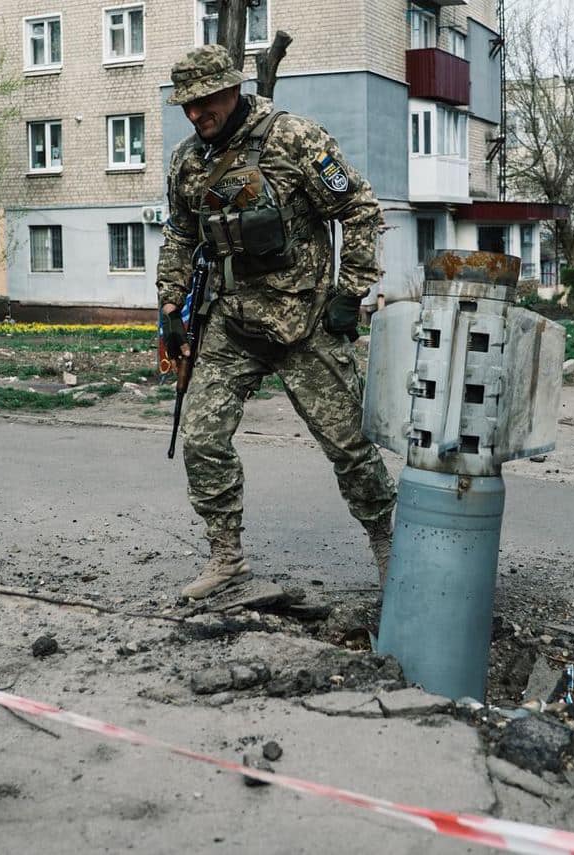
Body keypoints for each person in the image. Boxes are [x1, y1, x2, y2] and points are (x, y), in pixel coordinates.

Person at [156, 45, 396, 600]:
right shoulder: (187, 162)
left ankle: (389, 546)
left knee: (349, 447)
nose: (196, 114)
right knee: (201, 439)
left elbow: (358, 208)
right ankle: (226, 556)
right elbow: (180, 235)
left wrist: (350, 291)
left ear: (232, 88)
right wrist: (171, 307)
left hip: (304, 325)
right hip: (230, 324)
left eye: (204, 101)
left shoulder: (294, 139)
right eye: (186, 106)